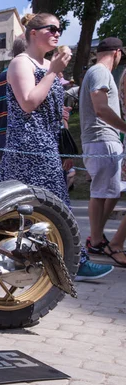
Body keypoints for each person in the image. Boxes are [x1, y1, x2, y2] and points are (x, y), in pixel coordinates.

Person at [0, 12, 113, 281]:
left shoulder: (46, 64)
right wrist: (52, 73)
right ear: (33, 33)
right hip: (28, 147)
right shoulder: (20, 63)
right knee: (47, 207)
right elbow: (27, 102)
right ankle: (74, 262)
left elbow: (42, 103)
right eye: (51, 28)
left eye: (60, 28)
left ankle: (54, 260)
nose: (57, 33)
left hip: (46, 144)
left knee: (39, 208)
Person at [80, 37, 126, 267]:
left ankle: (96, 238)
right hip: (102, 139)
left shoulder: (97, 72)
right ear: (117, 53)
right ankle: (96, 240)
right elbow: (100, 108)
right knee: (100, 192)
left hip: (103, 140)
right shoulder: (100, 71)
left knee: (111, 191)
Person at [0, 36, 27, 161]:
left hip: (4, 138)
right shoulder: (29, 72)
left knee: (11, 180)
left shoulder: (0, 77)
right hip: (26, 137)